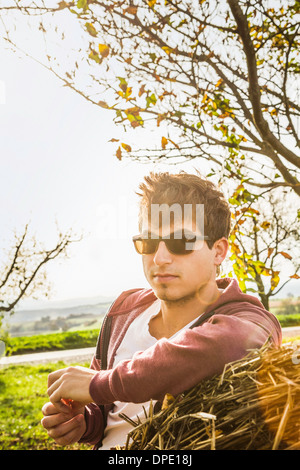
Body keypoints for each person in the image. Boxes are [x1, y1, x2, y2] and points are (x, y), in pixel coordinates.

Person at [41, 171, 282, 450]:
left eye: (180, 242)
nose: (160, 258)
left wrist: (99, 384)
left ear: (218, 251)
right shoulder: (123, 312)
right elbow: (110, 413)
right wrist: (84, 422)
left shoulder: (245, 319)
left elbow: (225, 346)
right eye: (149, 242)